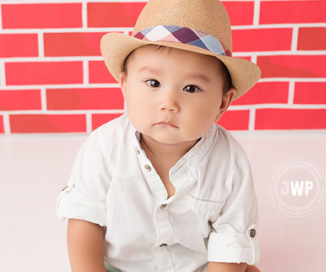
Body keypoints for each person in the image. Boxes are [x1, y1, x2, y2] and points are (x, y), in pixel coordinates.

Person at [56, 0, 262, 271]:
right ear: (125, 84)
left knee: (246, 267)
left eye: (191, 88)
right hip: (122, 266)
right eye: (153, 83)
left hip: (197, 266)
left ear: (223, 102)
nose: (169, 103)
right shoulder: (104, 146)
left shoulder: (230, 162)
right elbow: (85, 221)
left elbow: (230, 239)